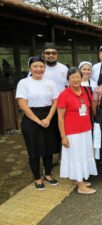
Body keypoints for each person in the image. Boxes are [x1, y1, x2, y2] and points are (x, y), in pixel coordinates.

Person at [16, 56, 60, 190]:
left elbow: (55, 102)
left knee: (48, 148)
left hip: (48, 117)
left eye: (41, 66)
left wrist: (48, 119)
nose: (39, 69)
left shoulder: (50, 83)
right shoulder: (23, 83)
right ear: (30, 67)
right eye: (35, 66)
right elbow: (23, 105)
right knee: (34, 150)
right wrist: (38, 121)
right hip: (31, 119)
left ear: (45, 68)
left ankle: (48, 174)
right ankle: (37, 178)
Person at [57, 67, 97, 194]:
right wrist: (63, 136)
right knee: (76, 157)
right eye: (72, 77)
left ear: (82, 78)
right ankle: (81, 186)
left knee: (83, 155)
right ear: (68, 79)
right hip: (72, 132)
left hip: (85, 129)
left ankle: (78, 179)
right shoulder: (64, 95)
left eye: (78, 77)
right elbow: (60, 117)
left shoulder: (86, 91)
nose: (75, 80)